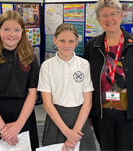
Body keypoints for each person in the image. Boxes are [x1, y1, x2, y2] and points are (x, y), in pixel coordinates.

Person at [83, 0, 133, 150]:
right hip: (102, 117)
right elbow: (86, 84)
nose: (109, 19)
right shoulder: (92, 46)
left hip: (132, 115)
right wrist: (89, 114)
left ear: (121, 15)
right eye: (104, 15)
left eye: (113, 14)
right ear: (98, 19)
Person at [0, 10, 39, 151]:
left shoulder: (30, 58)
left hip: (23, 117)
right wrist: (3, 129)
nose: (12, 34)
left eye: (17, 29)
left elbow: (32, 93)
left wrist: (17, 126)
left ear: (22, 31)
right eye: (6, 29)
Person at [38, 23, 97, 151]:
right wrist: (67, 132)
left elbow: (88, 102)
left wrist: (74, 132)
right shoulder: (47, 66)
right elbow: (47, 103)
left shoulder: (84, 64)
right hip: (56, 120)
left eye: (71, 41)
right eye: (62, 40)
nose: (66, 45)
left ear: (77, 41)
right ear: (55, 40)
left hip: (79, 120)